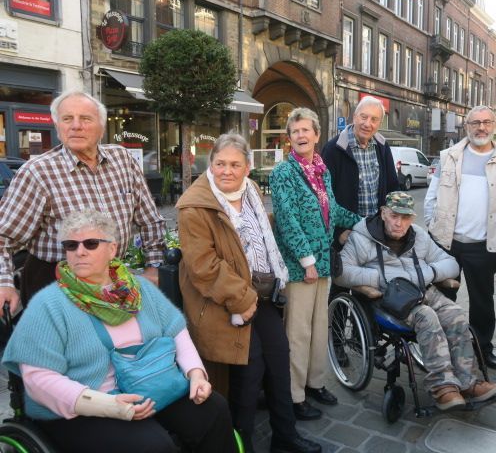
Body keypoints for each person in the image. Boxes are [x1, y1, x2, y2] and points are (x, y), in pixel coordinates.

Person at [1, 210, 236, 453]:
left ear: (112, 249)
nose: (79, 252)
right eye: (71, 245)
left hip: (149, 385)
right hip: (84, 405)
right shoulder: (49, 305)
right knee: (153, 446)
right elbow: (38, 379)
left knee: (214, 411)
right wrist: (109, 405)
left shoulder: (138, 288)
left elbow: (176, 330)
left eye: (91, 244)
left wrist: (195, 373)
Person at [176, 133, 321, 453]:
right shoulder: (194, 205)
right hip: (221, 302)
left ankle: (285, 436)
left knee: (279, 354)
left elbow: (263, 234)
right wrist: (242, 299)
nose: (227, 171)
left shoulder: (252, 190)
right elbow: (204, 267)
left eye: (235, 164)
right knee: (250, 365)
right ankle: (239, 443)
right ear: (210, 165)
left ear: (247, 168)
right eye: (220, 164)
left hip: (260, 294)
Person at [0, 90, 165, 314]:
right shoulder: (38, 172)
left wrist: (153, 266)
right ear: (58, 127)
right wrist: (4, 284)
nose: (76, 126)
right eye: (67, 119)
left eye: (85, 119)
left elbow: (150, 220)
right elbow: (3, 238)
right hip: (54, 282)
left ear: (102, 127)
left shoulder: (123, 160)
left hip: (111, 277)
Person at [335, 192, 496, 410]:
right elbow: (341, 272)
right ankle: (442, 387)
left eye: (405, 218)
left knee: (455, 314)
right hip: (386, 297)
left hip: (422, 290)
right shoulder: (362, 237)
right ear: (384, 213)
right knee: (426, 317)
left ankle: (468, 382)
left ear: (412, 218)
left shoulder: (419, 236)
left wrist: (425, 274)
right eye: (394, 216)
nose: (399, 223)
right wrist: (384, 279)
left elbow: (451, 264)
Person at [270, 108, 361, 421]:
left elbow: (332, 209)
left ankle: (314, 383)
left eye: (306, 130)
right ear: (290, 137)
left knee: (319, 328)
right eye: (295, 131)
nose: (300, 136)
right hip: (300, 268)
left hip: (323, 264)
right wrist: (306, 261)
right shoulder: (284, 173)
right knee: (297, 333)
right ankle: (294, 397)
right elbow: (287, 221)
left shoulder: (322, 169)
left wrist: (363, 223)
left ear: (316, 135)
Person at [424, 105, 496, 370]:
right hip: (447, 243)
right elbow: (432, 195)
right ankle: (442, 347)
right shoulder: (449, 156)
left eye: (487, 122)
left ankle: (482, 349)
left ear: (494, 125)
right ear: (466, 126)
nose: (481, 127)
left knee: (482, 301)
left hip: (485, 245)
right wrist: (432, 227)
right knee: (444, 298)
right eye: (475, 122)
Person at [321, 95, 399, 221]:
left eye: (374, 119)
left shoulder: (383, 147)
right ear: (354, 117)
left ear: (379, 123)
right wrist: (340, 232)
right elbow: (324, 196)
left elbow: (393, 188)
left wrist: (390, 220)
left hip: (377, 226)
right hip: (348, 230)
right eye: (364, 117)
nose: (367, 124)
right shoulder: (333, 149)